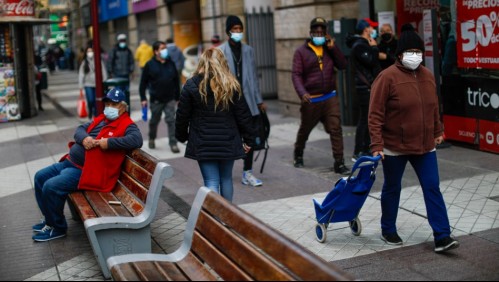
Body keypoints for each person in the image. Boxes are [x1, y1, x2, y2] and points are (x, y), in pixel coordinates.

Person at [368, 24, 459, 253]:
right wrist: (376, 144)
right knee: (392, 188)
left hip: (425, 144)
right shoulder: (386, 77)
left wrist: (437, 131)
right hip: (394, 146)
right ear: (399, 55)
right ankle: (388, 228)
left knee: (432, 187)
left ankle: (442, 236)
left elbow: (433, 107)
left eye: (418, 52)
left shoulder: (428, 76)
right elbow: (375, 114)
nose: (415, 56)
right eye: (410, 52)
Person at [32, 88, 143, 242]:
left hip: (86, 171)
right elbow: (79, 129)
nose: (109, 107)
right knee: (40, 177)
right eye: (108, 103)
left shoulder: (127, 125)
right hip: (69, 162)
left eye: (114, 104)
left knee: (51, 186)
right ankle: (49, 219)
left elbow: (137, 140)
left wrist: (109, 143)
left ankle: (57, 228)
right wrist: (84, 139)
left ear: (124, 107)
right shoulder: (101, 119)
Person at [175, 48, 256, 202]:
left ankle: (214, 219)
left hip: (203, 141)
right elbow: (243, 115)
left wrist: (182, 136)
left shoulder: (191, 85)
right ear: (222, 62)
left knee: (211, 181)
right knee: (226, 179)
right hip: (228, 140)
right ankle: (228, 217)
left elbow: (182, 116)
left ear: (202, 62)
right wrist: (249, 139)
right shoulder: (231, 84)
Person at [291, 17, 350, 175]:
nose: (319, 34)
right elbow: (296, 75)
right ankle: (298, 153)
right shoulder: (301, 52)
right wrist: (302, 93)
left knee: (336, 128)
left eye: (322, 32)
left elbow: (343, 65)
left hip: (330, 97)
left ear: (326, 34)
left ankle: (339, 162)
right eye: (316, 32)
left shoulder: (329, 49)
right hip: (312, 99)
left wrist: (334, 48)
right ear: (310, 33)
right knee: (305, 130)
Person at [218, 15, 266, 187]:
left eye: (240, 29)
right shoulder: (221, 51)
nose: (238, 32)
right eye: (234, 29)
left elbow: (253, 77)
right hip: (229, 102)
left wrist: (259, 100)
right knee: (229, 137)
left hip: (248, 101)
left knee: (250, 136)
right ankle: (225, 172)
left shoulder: (248, 50)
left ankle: (248, 172)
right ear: (228, 31)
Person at [346, 18, 382, 162]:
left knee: (369, 118)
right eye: (371, 28)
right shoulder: (359, 46)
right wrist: (374, 48)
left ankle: (366, 148)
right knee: (365, 119)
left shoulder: (363, 44)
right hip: (364, 87)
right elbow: (372, 61)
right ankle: (359, 151)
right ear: (366, 29)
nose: (373, 30)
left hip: (368, 86)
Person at [139, 41, 181, 153]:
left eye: (165, 48)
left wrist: (178, 97)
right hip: (156, 99)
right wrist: (143, 98)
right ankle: (152, 138)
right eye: (162, 48)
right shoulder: (149, 65)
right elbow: (143, 83)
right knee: (154, 121)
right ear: (156, 51)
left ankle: (173, 143)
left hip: (170, 98)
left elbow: (176, 81)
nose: (165, 50)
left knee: (171, 120)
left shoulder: (170, 63)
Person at [79, 46, 109, 120]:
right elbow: (81, 74)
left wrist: (104, 80)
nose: (90, 53)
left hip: (97, 84)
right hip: (88, 84)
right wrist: (80, 86)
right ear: (86, 53)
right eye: (88, 52)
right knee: (90, 100)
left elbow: (103, 70)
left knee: (96, 101)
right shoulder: (84, 62)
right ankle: (90, 111)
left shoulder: (98, 60)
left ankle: (95, 114)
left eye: (91, 51)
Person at [108, 34, 135, 106]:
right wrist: (110, 72)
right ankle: (119, 104)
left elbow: (131, 61)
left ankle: (125, 104)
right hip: (117, 74)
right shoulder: (114, 50)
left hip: (126, 74)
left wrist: (131, 71)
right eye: (121, 41)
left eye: (124, 40)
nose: (122, 42)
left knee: (126, 91)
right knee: (118, 91)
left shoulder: (128, 50)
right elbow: (110, 61)